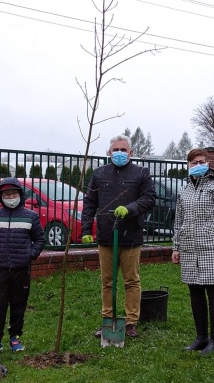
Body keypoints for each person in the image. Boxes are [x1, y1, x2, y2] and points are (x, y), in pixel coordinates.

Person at [81, 134, 156, 338]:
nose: (120, 153)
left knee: (131, 280)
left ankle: (131, 321)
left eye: (124, 150)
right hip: (106, 235)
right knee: (107, 281)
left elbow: (149, 199)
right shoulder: (99, 174)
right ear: (109, 152)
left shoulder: (141, 173)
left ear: (131, 153)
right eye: (116, 150)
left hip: (131, 235)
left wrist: (130, 209)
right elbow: (89, 203)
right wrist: (86, 230)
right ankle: (108, 319)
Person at [172, 148, 214, 355]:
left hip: (213, 248)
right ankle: (201, 337)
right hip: (189, 249)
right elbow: (178, 221)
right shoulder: (184, 190)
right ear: (188, 165)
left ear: (207, 163)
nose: (197, 165)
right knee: (195, 293)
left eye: (201, 161)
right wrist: (176, 247)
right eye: (193, 162)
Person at [0, 177, 46, 356]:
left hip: (21, 269)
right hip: (0, 269)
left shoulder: (30, 216)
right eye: (6, 194)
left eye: (13, 193)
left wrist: (29, 256)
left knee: (18, 305)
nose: (10, 197)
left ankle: (15, 338)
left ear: (20, 194)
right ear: (1, 197)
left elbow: (40, 239)